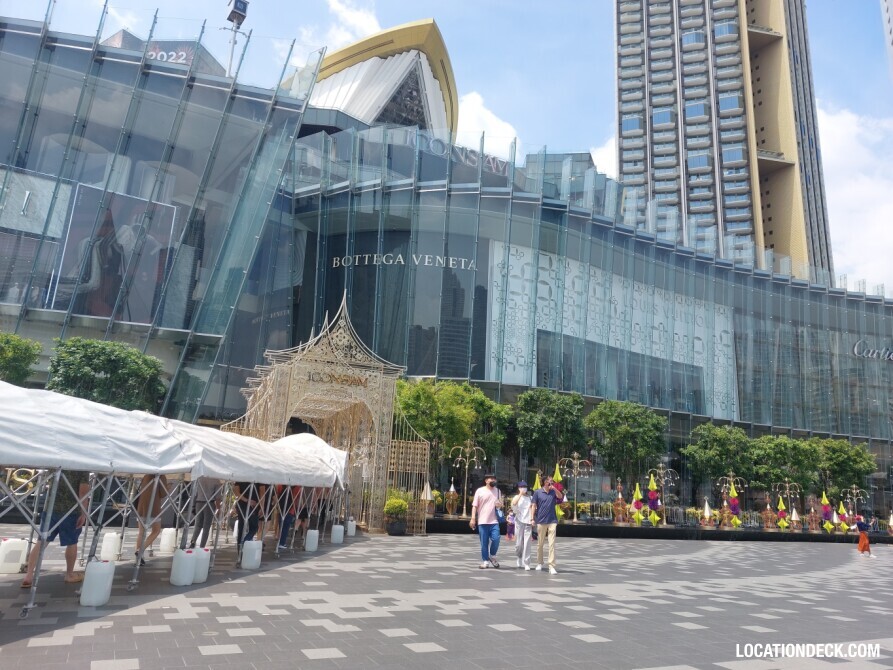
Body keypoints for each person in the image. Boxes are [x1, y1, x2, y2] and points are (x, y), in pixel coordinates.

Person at [21, 470, 90, 588]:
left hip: (50, 509)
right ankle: (69, 574)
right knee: (72, 542)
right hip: (71, 511)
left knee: (41, 542)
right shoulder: (81, 467)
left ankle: (28, 575)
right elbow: (83, 493)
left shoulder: (56, 462)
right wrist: (84, 513)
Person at [530, 475, 565, 575]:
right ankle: (540, 562)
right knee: (540, 543)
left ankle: (551, 565)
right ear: (544, 482)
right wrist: (532, 518)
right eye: (549, 481)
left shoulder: (553, 491)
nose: (551, 482)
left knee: (551, 544)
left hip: (552, 520)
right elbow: (533, 506)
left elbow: (560, 497)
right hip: (541, 520)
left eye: (551, 481)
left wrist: (554, 488)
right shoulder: (538, 492)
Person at [469, 473, 503, 569]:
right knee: (484, 543)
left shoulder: (498, 491)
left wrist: (499, 504)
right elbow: (475, 506)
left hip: (494, 521)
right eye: (490, 479)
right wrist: (472, 518)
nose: (493, 480)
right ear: (486, 480)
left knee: (496, 539)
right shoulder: (480, 491)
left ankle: (492, 555)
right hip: (483, 521)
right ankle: (485, 561)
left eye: (494, 479)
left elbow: (501, 505)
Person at [134, 474, 168, 565]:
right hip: (153, 507)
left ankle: (138, 559)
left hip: (141, 506)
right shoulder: (161, 476)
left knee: (141, 532)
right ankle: (140, 550)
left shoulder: (146, 475)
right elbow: (164, 493)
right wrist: (169, 486)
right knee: (156, 530)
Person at [189, 476, 221, 549]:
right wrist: (219, 508)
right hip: (210, 503)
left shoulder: (199, 478)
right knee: (206, 526)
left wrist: (193, 505)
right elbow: (218, 496)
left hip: (198, 502)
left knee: (198, 525)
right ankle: (202, 546)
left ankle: (193, 542)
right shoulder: (216, 480)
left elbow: (194, 493)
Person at [234, 481, 265, 549]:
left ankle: (240, 550)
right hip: (253, 505)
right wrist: (262, 506)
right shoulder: (258, 476)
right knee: (254, 527)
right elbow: (262, 492)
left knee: (241, 528)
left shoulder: (241, 477)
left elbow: (236, 492)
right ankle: (244, 542)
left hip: (241, 505)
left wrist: (246, 500)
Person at [511, 480, 533, 570]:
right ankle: (519, 557)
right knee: (519, 543)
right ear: (519, 488)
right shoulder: (516, 497)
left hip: (528, 522)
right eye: (522, 487)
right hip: (519, 521)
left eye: (525, 486)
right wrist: (520, 494)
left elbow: (533, 508)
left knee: (527, 542)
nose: (524, 488)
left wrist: (532, 519)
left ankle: (526, 562)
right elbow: (514, 504)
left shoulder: (530, 498)